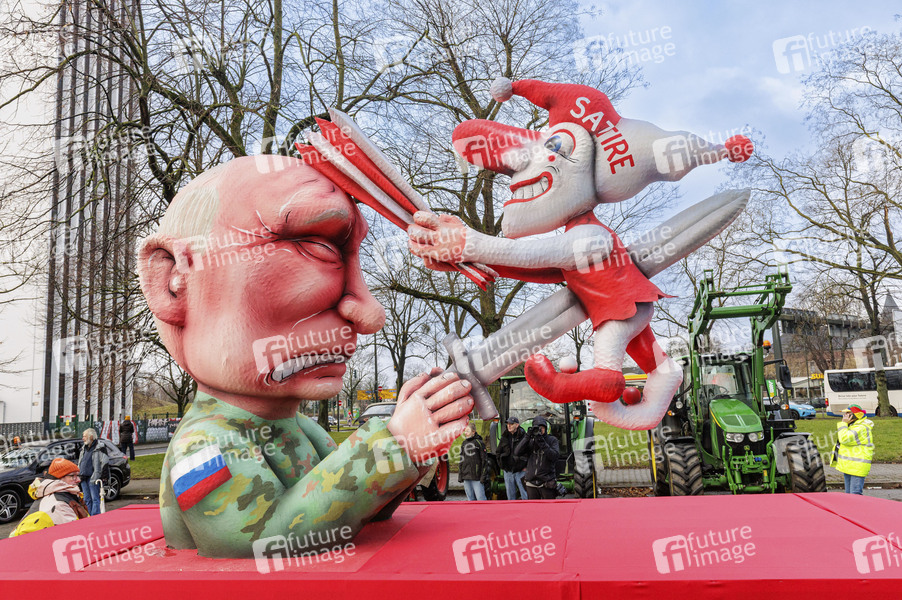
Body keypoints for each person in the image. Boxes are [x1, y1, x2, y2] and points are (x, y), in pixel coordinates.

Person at [137, 156, 473, 557]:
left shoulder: (302, 429)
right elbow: (256, 539)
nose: (369, 315)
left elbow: (359, 508)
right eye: (317, 246)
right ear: (173, 283)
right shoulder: (201, 446)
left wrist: (412, 449)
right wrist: (395, 445)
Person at [10, 458, 89, 536]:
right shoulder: (59, 503)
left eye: (77, 475)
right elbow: (76, 534)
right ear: (59, 478)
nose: (78, 480)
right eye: (72, 476)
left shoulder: (60, 495)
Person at [832, 404, 875, 495]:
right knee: (849, 495)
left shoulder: (861, 428)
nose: (845, 416)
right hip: (850, 466)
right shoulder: (853, 426)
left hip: (857, 466)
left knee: (855, 494)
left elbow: (844, 438)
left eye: (848, 414)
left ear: (855, 416)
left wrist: (843, 424)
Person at [514, 416, 560, 499]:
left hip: (546, 482)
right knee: (533, 507)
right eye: (537, 428)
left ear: (545, 428)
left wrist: (542, 442)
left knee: (549, 506)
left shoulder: (552, 440)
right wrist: (527, 437)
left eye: (541, 428)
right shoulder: (530, 441)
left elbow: (554, 456)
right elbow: (517, 452)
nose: (539, 430)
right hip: (531, 483)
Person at [77, 428, 109, 515]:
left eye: (84, 436)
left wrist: (103, 475)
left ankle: (95, 517)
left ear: (91, 437)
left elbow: (105, 461)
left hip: (93, 477)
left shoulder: (100, 447)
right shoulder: (84, 448)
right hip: (83, 477)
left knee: (95, 499)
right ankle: (89, 517)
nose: (83, 438)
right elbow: (80, 461)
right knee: (87, 499)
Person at [497, 417, 528, 500]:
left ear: (517, 425)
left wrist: (525, 466)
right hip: (508, 471)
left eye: (511, 424)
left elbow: (529, 453)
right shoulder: (504, 437)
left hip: (521, 471)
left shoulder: (524, 437)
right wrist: (502, 465)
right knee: (510, 497)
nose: (509, 426)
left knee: (525, 494)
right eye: (508, 424)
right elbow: (498, 452)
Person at [458, 425, 488, 501]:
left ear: (473, 432)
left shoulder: (479, 443)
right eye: (465, 431)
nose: (466, 433)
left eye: (468, 431)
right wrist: (460, 475)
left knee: (481, 499)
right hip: (466, 477)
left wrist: (483, 477)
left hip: (477, 477)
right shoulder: (464, 443)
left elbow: (484, 461)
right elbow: (461, 460)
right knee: (470, 499)